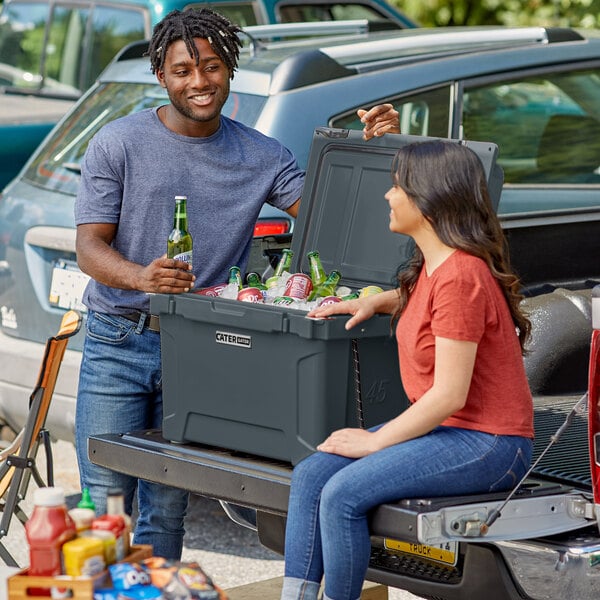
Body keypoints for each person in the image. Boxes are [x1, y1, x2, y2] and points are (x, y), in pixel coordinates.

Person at [74, 7, 400, 559]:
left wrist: (377, 150)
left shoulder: (263, 154)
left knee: (169, 504)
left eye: (212, 68)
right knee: (102, 501)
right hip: (117, 340)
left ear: (230, 72)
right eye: (183, 71)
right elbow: (89, 247)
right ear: (161, 74)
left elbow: (335, 215)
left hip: (198, 347)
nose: (199, 82)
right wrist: (141, 276)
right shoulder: (118, 143)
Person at [280, 140, 534, 600]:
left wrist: (375, 441)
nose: (388, 195)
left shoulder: (461, 276)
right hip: (452, 432)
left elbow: (449, 395)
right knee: (312, 475)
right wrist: (372, 300)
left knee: (341, 496)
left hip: (489, 442)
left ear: (428, 198)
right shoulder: (437, 268)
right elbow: (424, 303)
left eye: (397, 186)